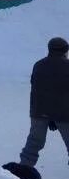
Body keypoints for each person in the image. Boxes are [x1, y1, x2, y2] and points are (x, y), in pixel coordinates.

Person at [17, 37, 69, 169]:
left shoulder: (38, 65)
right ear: (65, 50)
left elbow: (35, 87)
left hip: (38, 112)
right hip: (64, 113)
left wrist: (48, 115)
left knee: (34, 143)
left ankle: (23, 173)